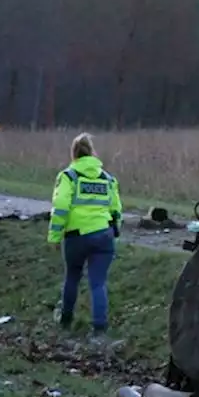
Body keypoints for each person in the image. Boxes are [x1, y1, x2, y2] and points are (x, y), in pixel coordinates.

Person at [48, 132, 122, 338]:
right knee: (98, 283)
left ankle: (66, 320)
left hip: (76, 237)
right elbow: (116, 210)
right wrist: (115, 234)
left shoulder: (68, 177)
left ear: (74, 154)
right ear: (92, 153)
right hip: (104, 236)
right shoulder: (107, 179)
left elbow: (60, 207)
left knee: (72, 277)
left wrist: (54, 237)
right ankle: (100, 328)